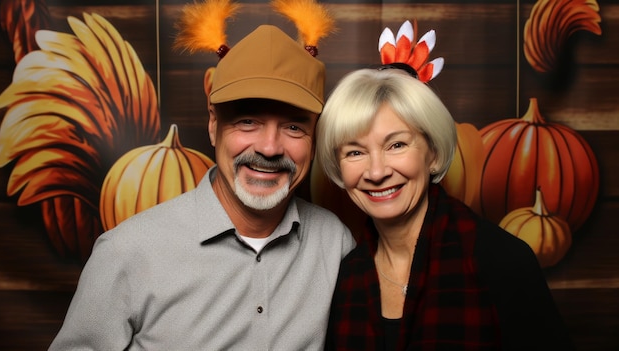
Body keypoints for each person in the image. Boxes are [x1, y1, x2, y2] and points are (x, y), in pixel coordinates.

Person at [49, 11, 355, 351]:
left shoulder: (334, 243)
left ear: (315, 136)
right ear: (213, 124)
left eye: (294, 126)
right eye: (247, 121)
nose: (269, 147)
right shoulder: (127, 253)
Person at [316, 66, 573, 350]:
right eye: (355, 152)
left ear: (434, 155)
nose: (376, 172)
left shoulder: (500, 260)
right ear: (338, 168)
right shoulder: (345, 276)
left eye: (397, 145)